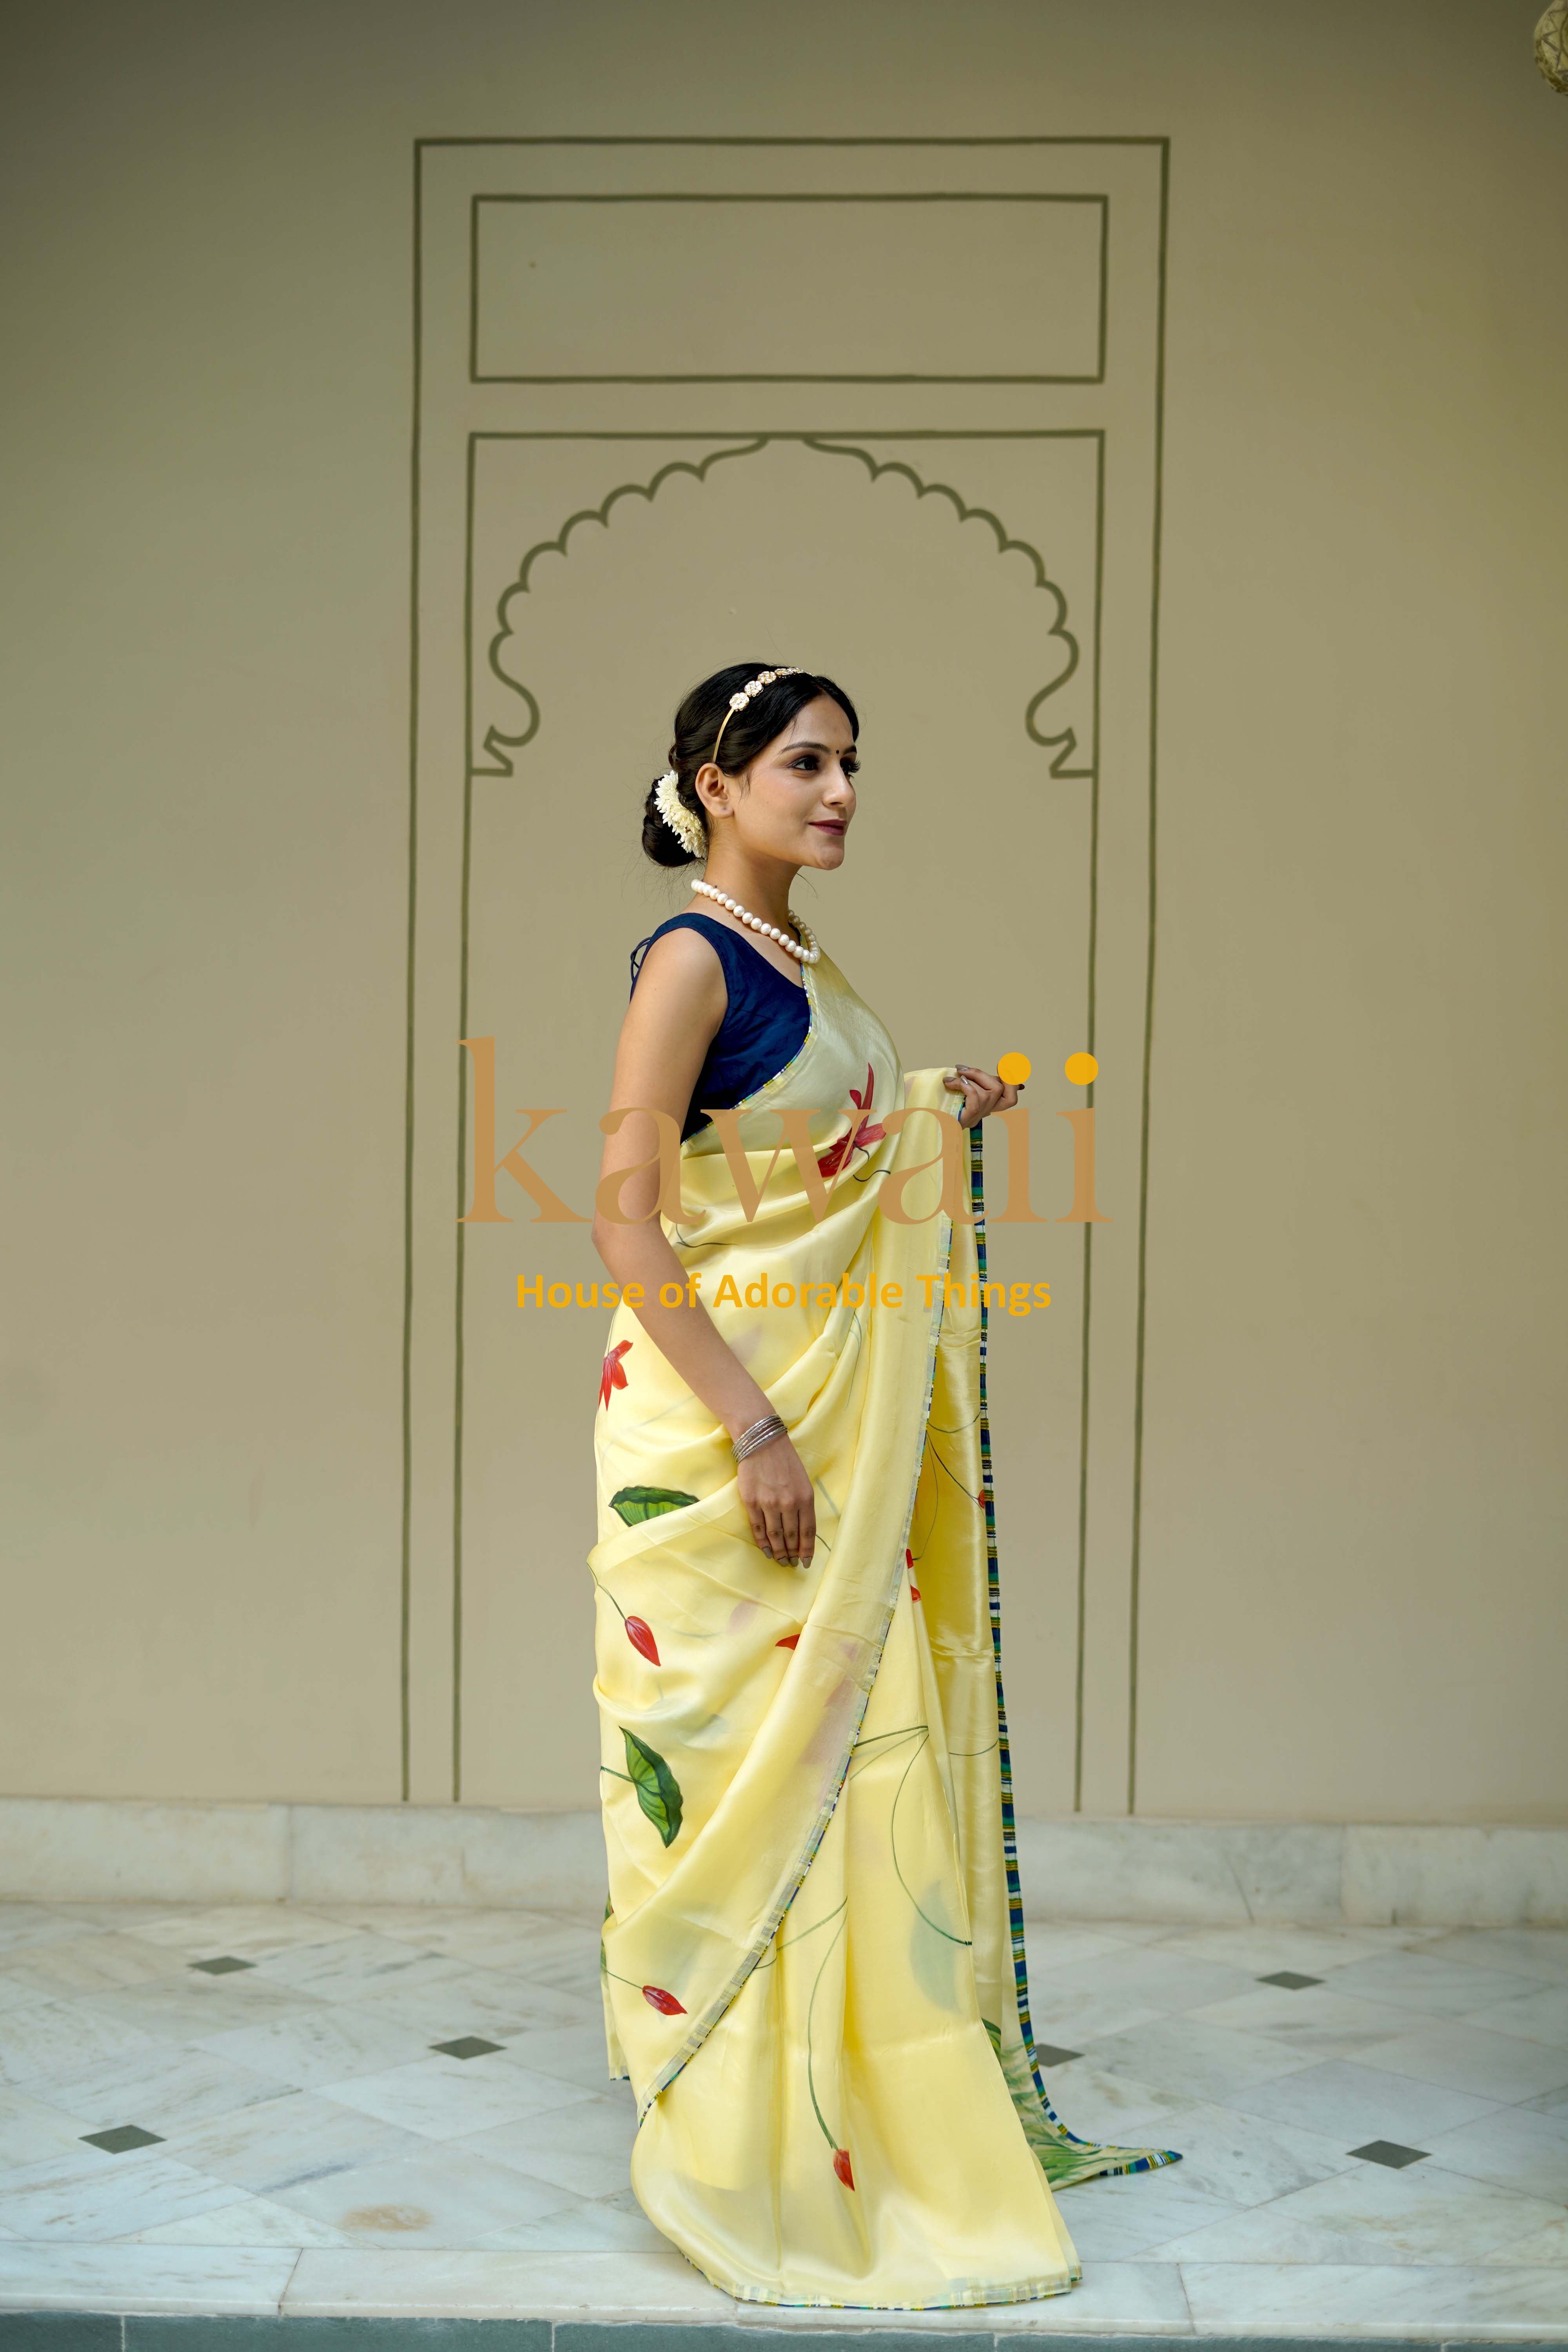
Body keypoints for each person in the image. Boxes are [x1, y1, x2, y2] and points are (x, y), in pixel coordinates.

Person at [588, 663, 1178, 2310]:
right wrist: (758, 1435)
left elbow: (797, 1159)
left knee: (869, 1758)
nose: (839, 789)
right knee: (751, 1779)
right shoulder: (689, 965)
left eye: (851, 764)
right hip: (730, 1440)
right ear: (714, 781)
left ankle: (865, 2105)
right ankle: (744, 2130)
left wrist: (928, 1107)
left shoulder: (798, 959)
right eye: (803, 762)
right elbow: (628, 1223)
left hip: (822, 1436)